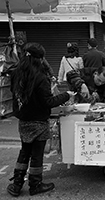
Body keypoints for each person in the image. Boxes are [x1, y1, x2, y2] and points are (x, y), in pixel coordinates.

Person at [7, 42, 76, 197]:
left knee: (24, 151)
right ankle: (35, 184)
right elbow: (48, 102)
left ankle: (17, 185)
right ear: (40, 58)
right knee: (37, 154)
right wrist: (67, 95)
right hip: (38, 122)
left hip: (24, 121)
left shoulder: (16, 73)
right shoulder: (40, 77)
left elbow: (15, 93)